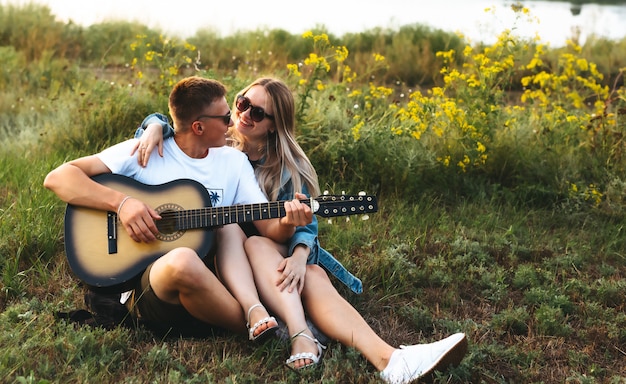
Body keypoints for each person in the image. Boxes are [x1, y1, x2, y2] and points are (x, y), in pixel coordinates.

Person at [134, 77, 468, 383]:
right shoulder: (214, 143)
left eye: (259, 112)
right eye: (242, 103)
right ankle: (301, 328)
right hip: (215, 264)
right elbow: (182, 118)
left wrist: (299, 254)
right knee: (241, 234)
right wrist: (154, 125)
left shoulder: (287, 168)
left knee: (293, 264)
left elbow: (307, 225)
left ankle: (391, 361)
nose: (246, 114)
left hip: (267, 260)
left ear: (274, 125)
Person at [43, 76, 313, 343]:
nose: (232, 123)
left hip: (214, 281)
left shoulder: (234, 161)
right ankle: (270, 334)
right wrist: (122, 203)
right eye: (225, 117)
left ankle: (255, 313)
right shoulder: (145, 151)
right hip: (153, 286)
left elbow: (270, 228)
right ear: (198, 127)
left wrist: (290, 222)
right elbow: (58, 178)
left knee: (227, 225)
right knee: (182, 260)